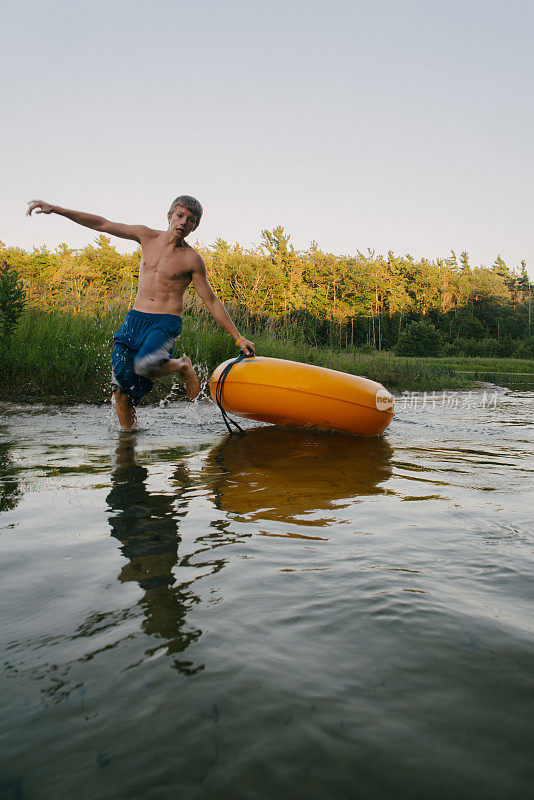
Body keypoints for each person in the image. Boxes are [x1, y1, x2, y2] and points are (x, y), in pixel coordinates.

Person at [27, 196, 255, 429]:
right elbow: (102, 224)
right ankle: (129, 437)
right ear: (169, 216)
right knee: (120, 385)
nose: (183, 222)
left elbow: (211, 300)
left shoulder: (192, 259)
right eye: (180, 215)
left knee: (146, 365)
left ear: (194, 227)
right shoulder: (146, 236)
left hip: (165, 323)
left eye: (190, 220)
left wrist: (238, 338)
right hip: (135, 320)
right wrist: (56, 209)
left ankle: (182, 365)